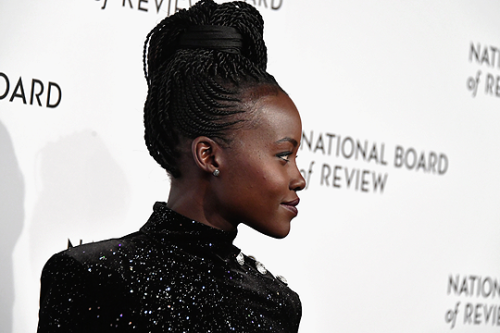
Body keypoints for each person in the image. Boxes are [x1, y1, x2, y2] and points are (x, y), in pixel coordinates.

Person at [37, 0, 305, 331]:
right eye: (283, 156)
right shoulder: (92, 277)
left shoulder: (276, 305)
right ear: (208, 155)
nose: (299, 178)